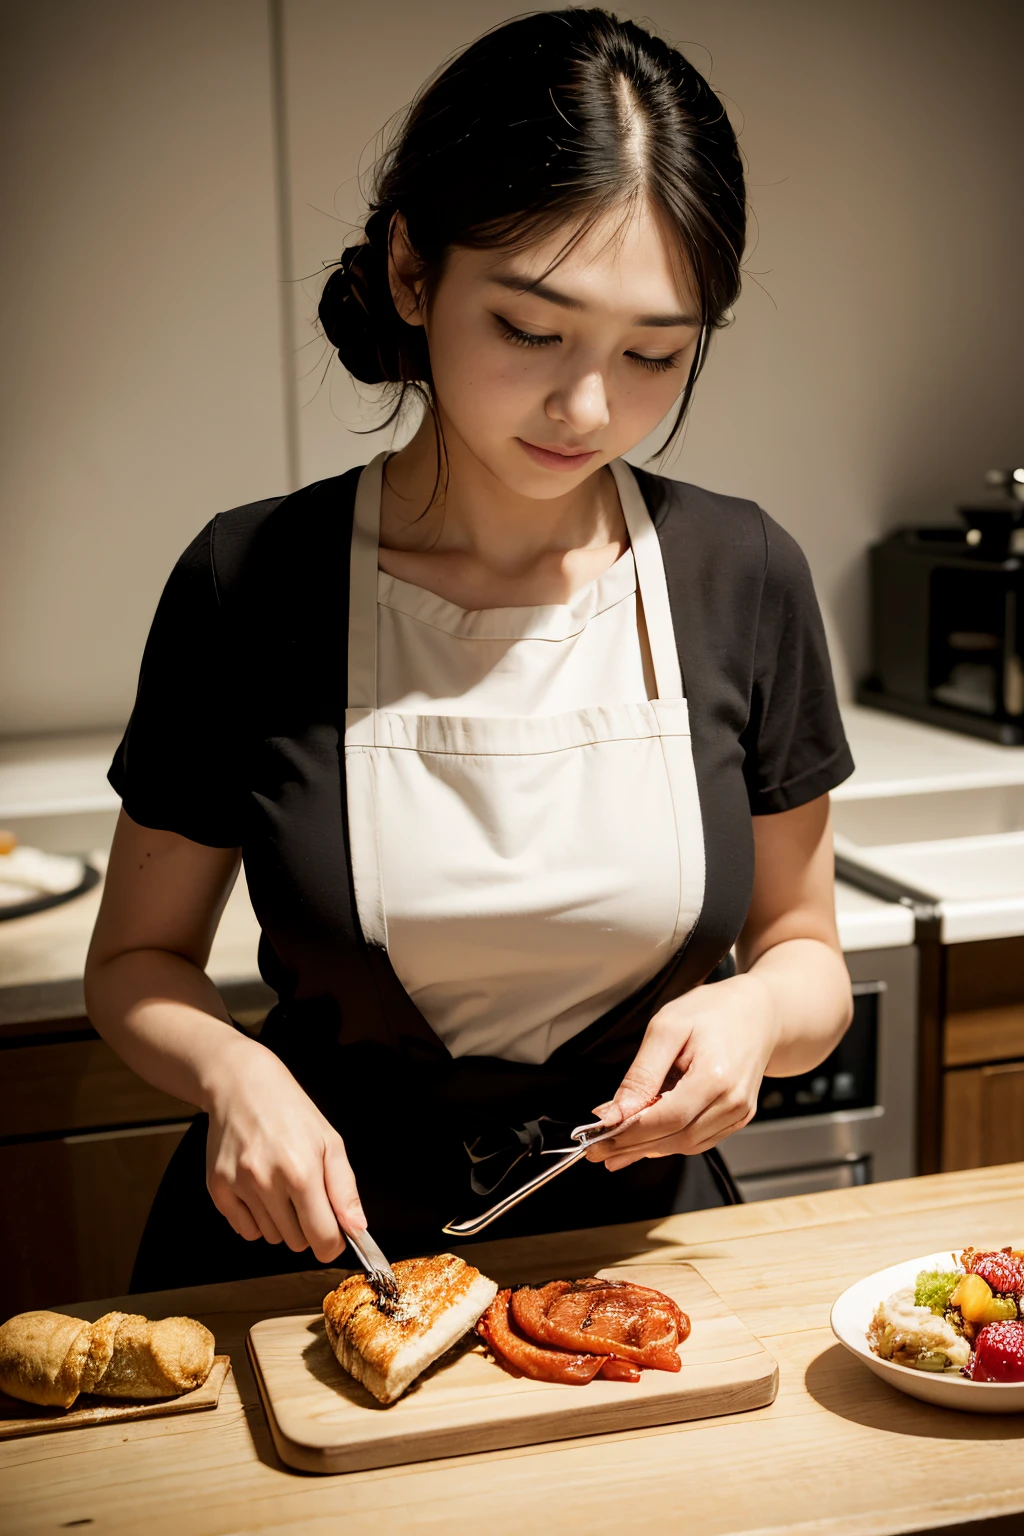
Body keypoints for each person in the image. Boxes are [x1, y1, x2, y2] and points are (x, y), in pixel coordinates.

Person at [84, 8, 855, 1291]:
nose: (588, 407)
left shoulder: (742, 575)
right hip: (312, 1260)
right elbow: (134, 963)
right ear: (410, 273)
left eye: (654, 353)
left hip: (640, 1258)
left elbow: (806, 950)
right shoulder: (250, 581)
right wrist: (235, 1072)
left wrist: (756, 1013)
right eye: (530, 331)